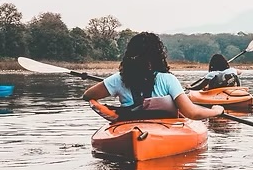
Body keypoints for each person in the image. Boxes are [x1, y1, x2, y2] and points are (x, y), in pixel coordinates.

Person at [82, 32, 224, 120]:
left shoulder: (118, 79)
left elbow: (88, 95)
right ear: (157, 56)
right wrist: (216, 111)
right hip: (163, 132)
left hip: (129, 128)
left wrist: (109, 109)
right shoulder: (168, 80)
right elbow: (192, 113)